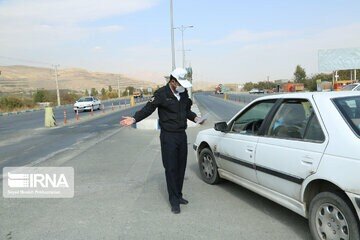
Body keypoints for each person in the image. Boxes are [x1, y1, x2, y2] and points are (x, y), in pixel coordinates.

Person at [120, 68, 204, 214]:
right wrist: (134, 118)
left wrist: (196, 118)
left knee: (181, 167)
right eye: (179, 82)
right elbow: (148, 109)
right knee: (171, 168)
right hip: (168, 136)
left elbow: (187, 111)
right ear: (172, 81)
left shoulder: (183, 94)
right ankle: (173, 201)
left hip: (181, 135)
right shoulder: (161, 94)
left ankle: (179, 195)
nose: (181, 86)